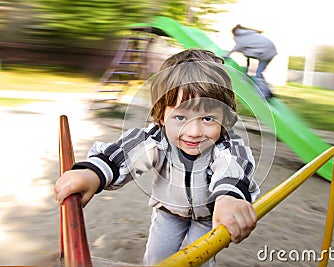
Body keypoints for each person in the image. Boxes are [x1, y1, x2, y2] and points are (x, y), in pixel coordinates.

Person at [54, 49, 260, 266]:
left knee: (200, 260)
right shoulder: (156, 140)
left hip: (209, 215)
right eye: (180, 117)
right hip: (168, 213)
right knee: (156, 259)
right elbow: (125, 154)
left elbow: (234, 168)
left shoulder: (225, 146)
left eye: (208, 118)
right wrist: (93, 174)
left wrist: (229, 197)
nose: (194, 131)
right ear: (161, 114)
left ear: (224, 117)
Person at [224, 24, 277, 99]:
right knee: (259, 73)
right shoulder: (249, 34)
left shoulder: (241, 37)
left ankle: (265, 94)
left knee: (258, 74)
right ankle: (268, 91)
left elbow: (237, 47)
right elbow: (247, 54)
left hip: (265, 53)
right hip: (270, 51)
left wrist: (226, 55)